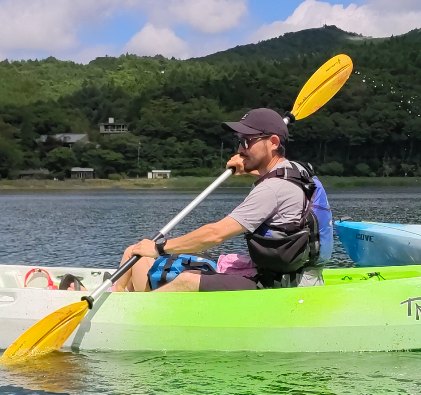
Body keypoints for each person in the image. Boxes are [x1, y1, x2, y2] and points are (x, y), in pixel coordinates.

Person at [110, 108, 333, 293]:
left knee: (185, 280)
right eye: (239, 141)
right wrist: (248, 170)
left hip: (278, 286)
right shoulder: (299, 171)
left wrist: (160, 247)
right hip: (301, 277)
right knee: (136, 252)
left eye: (248, 141)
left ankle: (135, 314)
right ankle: (128, 297)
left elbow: (215, 234)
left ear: (273, 142)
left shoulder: (271, 189)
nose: (240, 148)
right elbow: (280, 189)